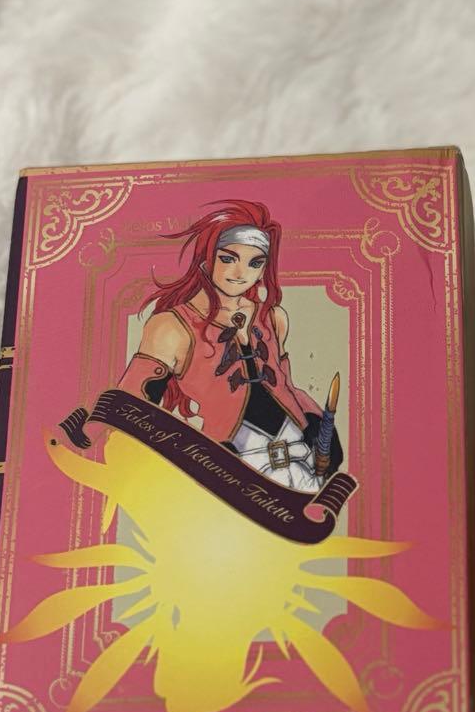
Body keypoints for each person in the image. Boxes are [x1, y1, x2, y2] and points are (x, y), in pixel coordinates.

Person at [118, 199, 342, 492]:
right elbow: (130, 410)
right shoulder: (171, 327)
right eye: (228, 258)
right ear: (206, 258)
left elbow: (285, 386)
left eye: (255, 262)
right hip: (232, 468)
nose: (240, 273)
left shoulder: (273, 318)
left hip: (301, 459)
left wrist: (317, 424)